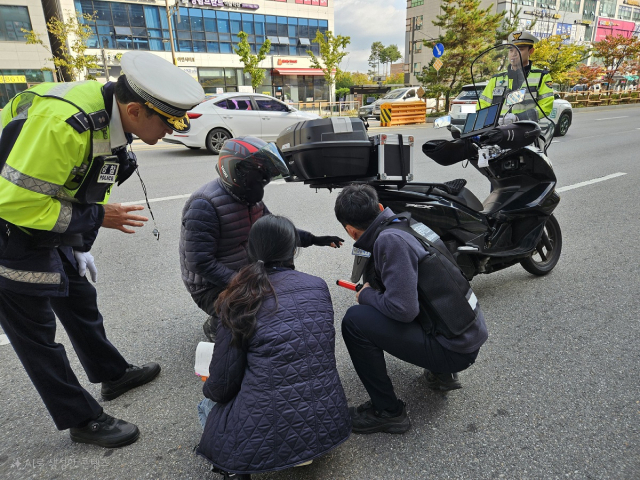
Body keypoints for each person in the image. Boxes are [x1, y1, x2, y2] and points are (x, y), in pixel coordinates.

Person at [0, 51, 205, 448]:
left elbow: (85, 184)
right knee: (35, 329)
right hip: (9, 221)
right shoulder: (64, 126)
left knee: (79, 296)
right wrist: (95, 218)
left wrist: (79, 244)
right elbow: (15, 203)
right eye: (166, 124)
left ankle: (112, 375)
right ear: (134, 110)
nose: (170, 132)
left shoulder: (111, 120)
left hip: (42, 211)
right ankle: (81, 419)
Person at [196, 214, 351, 479]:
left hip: (266, 435)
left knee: (205, 405)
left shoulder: (238, 298)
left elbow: (221, 387)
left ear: (250, 249)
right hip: (328, 425)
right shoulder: (318, 286)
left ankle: (235, 467)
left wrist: (207, 385)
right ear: (293, 250)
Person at [334, 184, 488, 434]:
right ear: (380, 208)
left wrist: (366, 295)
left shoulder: (389, 240)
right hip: (467, 330)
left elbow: (403, 310)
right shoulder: (405, 223)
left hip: (456, 348)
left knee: (354, 320)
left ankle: (388, 412)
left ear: (351, 232)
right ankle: (442, 373)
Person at [179, 136, 344, 342]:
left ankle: (234, 313)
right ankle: (218, 324)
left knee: (282, 301)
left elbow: (274, 231)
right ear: (236, 171)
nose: (262, 182)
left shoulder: (249, 198)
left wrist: (314, 239)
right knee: (257, 318)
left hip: (244, 273)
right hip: (210, 286)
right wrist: (243, 285)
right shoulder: (204, 205)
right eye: (258, 176)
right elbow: (200, 263)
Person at [478, 31, 554, 119]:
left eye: (520, 50)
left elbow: (545, 106)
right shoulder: (496, 79)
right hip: (499, 129)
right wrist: (490, 121)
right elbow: (482, 104)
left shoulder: (541, 76)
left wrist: (519, 118)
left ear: (531, 51)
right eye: (511, 50)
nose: (514, 54)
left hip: (527, 129)